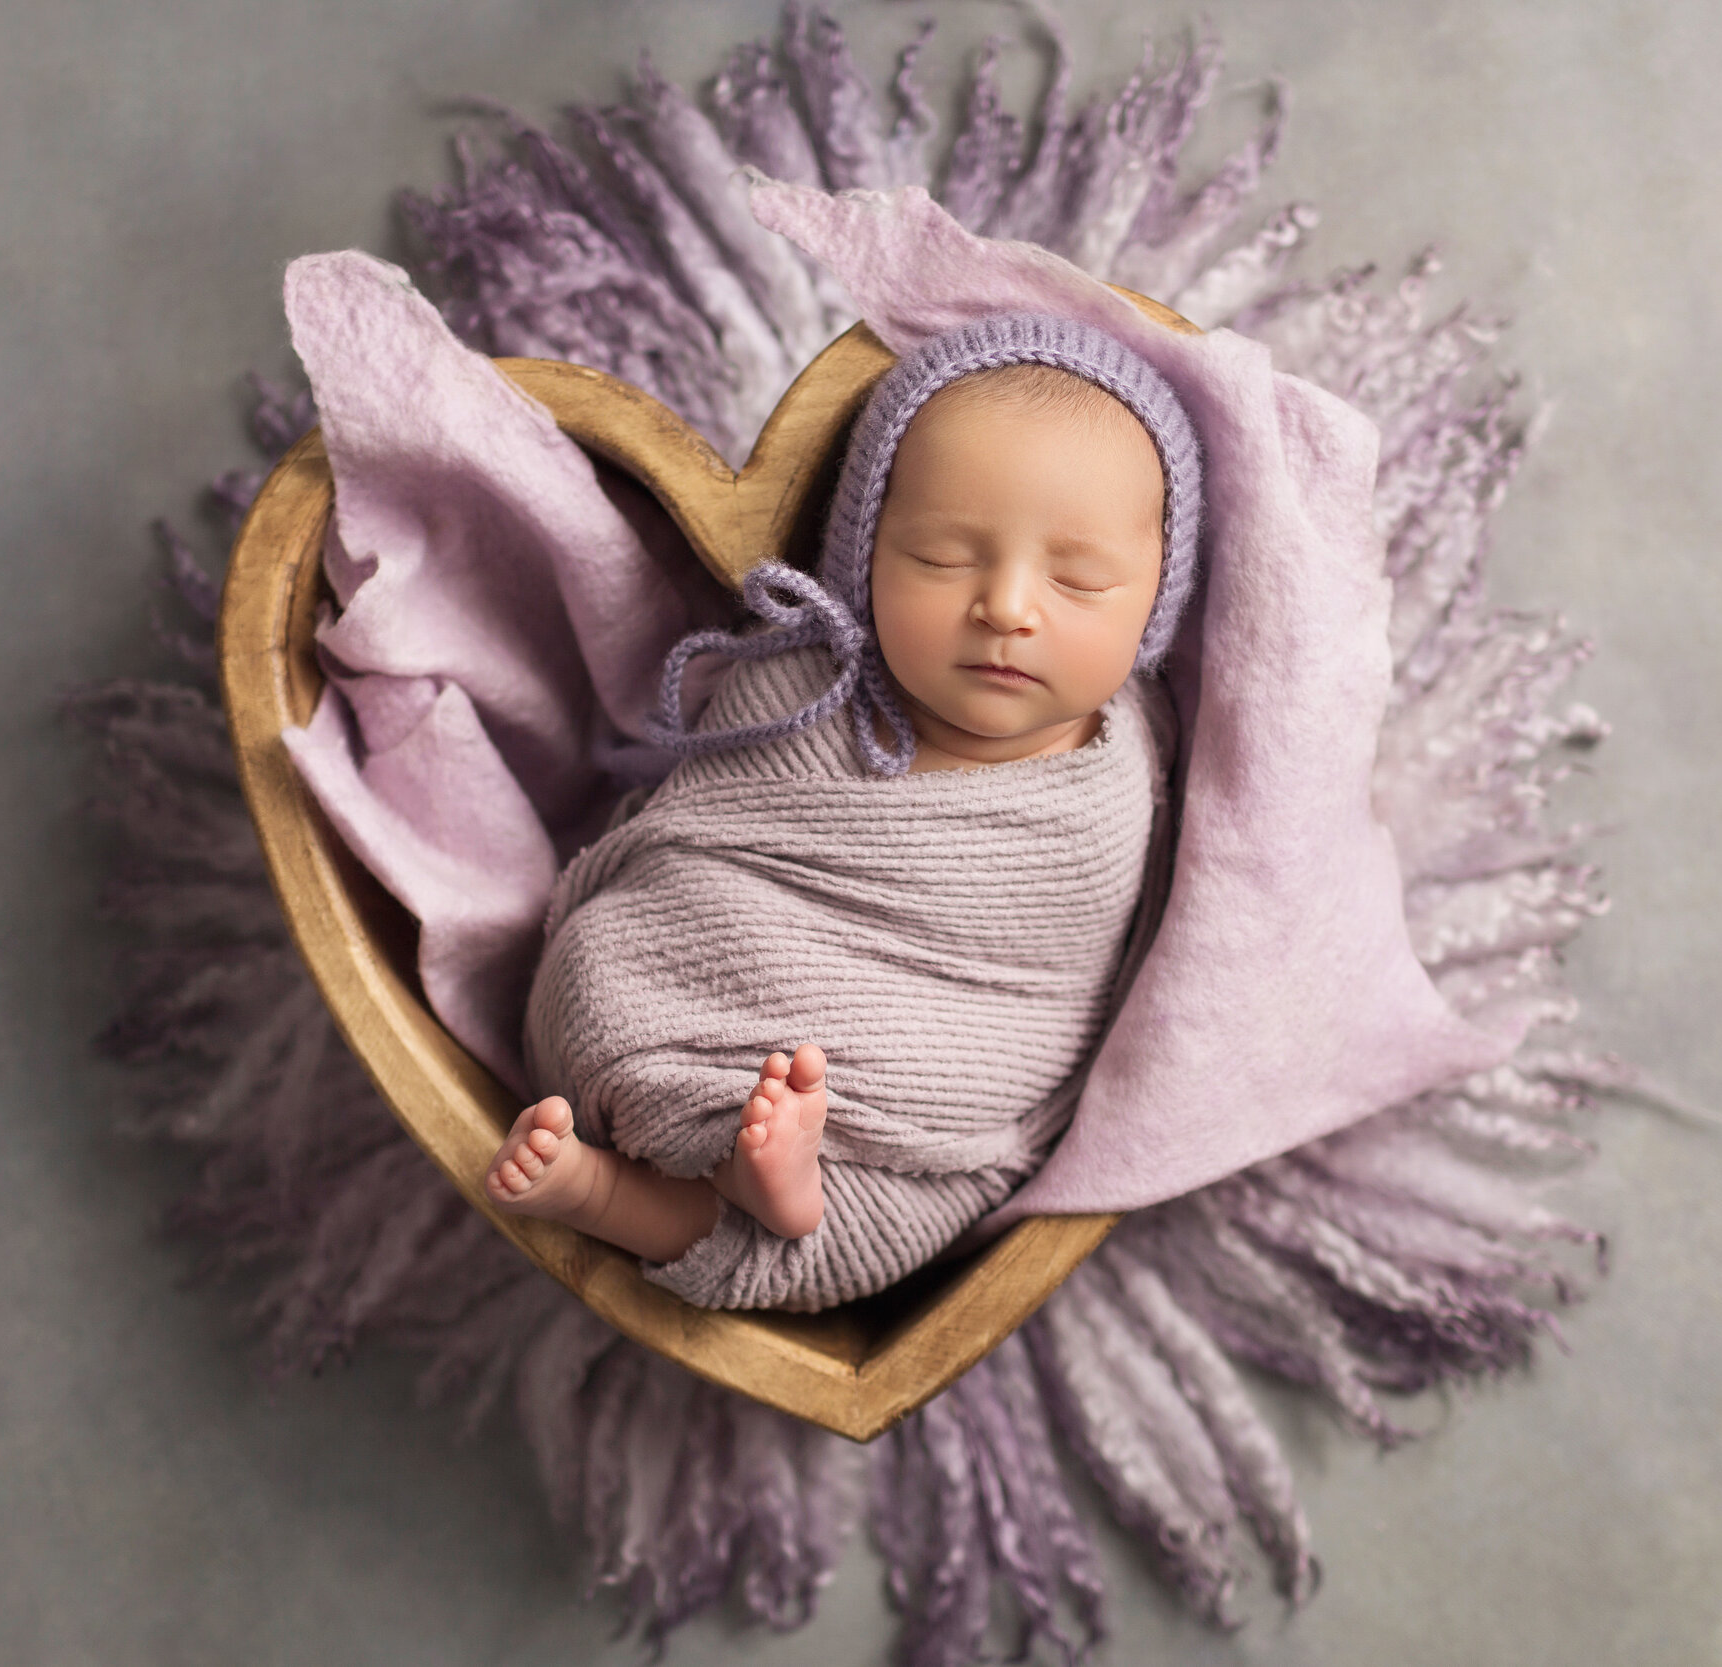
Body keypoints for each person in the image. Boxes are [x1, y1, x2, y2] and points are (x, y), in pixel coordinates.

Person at [480, 313, 1202, 1311]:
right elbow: (693, 840)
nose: (1006, 606)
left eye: (1076, 578)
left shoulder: (1123, 777)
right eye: (945, 557)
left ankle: (621, 1193)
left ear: (1153, 606)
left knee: (877, 1222)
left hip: (925, 1101)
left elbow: (1085, 963)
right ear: (862, 552)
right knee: (602, 972)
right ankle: (682, 1164)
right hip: (701, 993)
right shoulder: (801, 680)